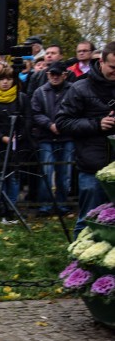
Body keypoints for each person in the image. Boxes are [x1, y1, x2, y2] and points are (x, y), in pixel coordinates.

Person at [55, 41, 115, 238]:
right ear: (101, 62)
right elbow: (63, 122)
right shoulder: (80, 88)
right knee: (88, 220)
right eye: (113, 67)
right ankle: (76, 266)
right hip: (93, 166)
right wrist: (97, 124)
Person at [0, 67, 30, 221]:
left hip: (17, 144)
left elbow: (28, 120)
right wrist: (2, 137)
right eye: (2, 79)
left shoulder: (21, 98)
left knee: (14, 177)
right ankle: (1, 209)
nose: (5, 82)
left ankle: (12, 209)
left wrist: (19, 135)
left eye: (9, 79)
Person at [30, 61, 74, 215]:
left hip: (66, 136)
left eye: (58, 74)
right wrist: (49, 125)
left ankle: (61, 204)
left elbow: (76, 110)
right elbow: (35, 113)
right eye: (52, 74)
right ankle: (45, 206)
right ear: (47, 74)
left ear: (64, 75)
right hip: (45, 137)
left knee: (64, 174)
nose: (54, 77)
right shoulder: (39, 92)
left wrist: (63, 124)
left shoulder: (72, 90)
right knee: (46, 173)